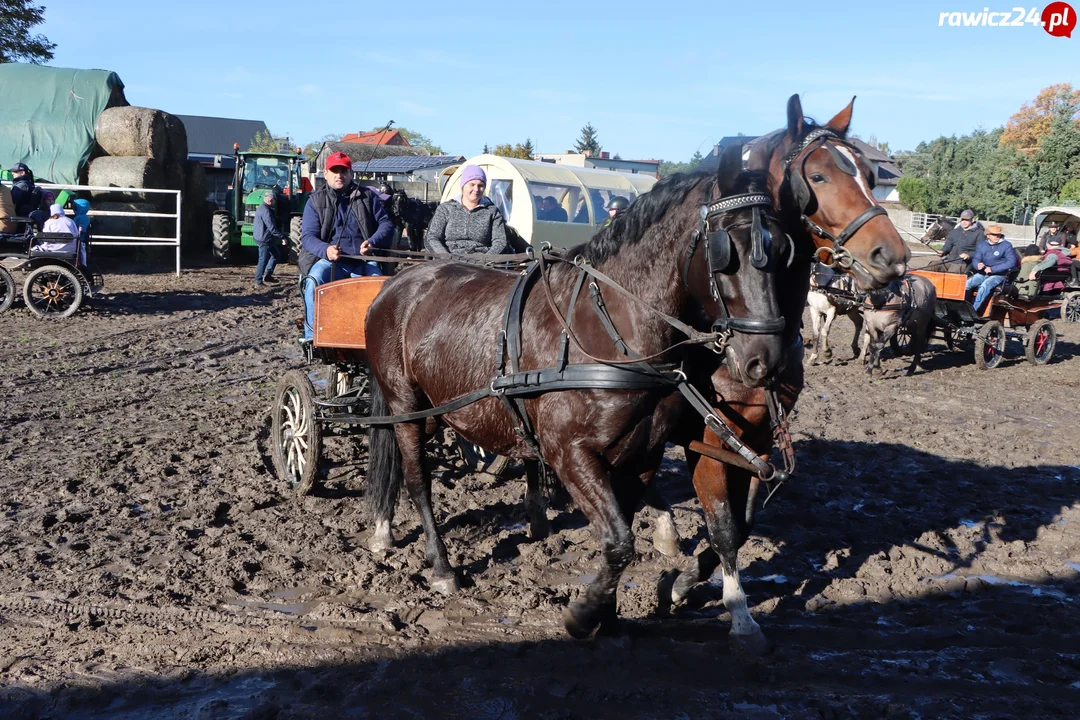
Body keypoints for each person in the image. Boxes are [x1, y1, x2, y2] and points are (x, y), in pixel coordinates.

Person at [299, 151, 395, 340]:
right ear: (325, 173)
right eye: (334, 171)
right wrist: (326, 250)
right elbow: (308, 236)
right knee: (312, 282)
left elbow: (387, 224)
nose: (339, 175)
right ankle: (312, 338)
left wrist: (372, 241)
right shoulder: (315, 201)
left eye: (343, 171)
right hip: (330, 262)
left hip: (364, 261)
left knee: (382, 289)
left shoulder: (368, 197)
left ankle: (377, 339)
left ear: (351, 173)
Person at [425, 165, 508, 255]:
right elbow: (432, 237)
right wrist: (445, 257)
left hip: (480, 261)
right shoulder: (445, 209)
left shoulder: (492, 212)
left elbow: (500, 241)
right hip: (449, 260)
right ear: (463, 186)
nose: (476, 189)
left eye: (480, 185)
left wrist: (486, 259)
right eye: (472, 184)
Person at [964, 224, 1018, 312]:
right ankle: (962, 307)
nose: (997, 236)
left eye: (998, 235)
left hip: (999, 275)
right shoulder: (982, 245)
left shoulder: (1006, 245)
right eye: (994, 234)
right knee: (966, 284)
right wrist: (977, 265)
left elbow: (1011, 262)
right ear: (988, 235)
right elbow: (976, 259)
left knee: (984, 286)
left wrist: (993, 269)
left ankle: (973, 311)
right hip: (983, 273)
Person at [253, 190, 286, 287]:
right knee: (263, 260)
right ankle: (258, 281)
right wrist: (282, 237)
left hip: (264, 237)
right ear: (270, 200)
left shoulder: (262, 208)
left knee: (276, 254)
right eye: (274, 200)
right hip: (264, 239)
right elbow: (271, 227)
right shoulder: (266, 211)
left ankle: (268, 275)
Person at [9, 163, 45, 229]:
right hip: (25, 216)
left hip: (18, 217)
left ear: (22, 172)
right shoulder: (29, 183)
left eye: (15, 171)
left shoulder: (21, 186)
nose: (12, 173)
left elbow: (11, 201)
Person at [71, 198, 91, 268]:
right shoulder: (84, 217)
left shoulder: (80, 218)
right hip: (81, 239)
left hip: (79, 240)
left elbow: (81, 230)